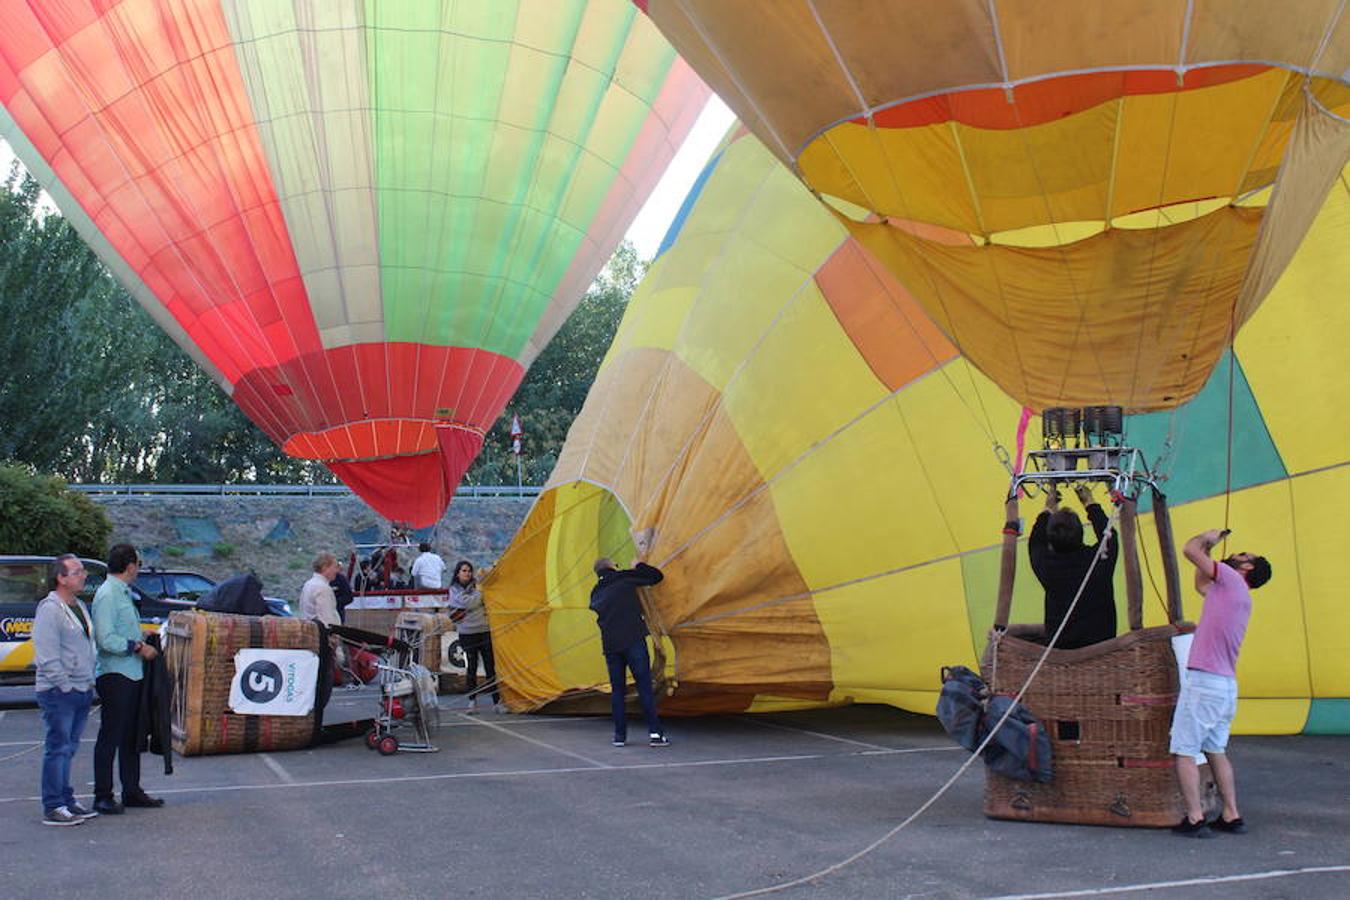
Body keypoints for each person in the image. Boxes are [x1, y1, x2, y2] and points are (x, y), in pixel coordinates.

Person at [1170, 528, 1272, 838]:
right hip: (1225, 685)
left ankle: (1195, 817)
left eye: (1244, 554)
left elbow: (1189, 550)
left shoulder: (1229, 579)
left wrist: (1207, 539)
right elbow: (1201, 582)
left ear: (1247, 568)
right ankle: (1231, 813)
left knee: (1184, 750)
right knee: (1215, 749)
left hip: (1205, 682)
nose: (1238, 553)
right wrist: (1209, 553)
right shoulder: (1236, 594)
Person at [91, 543, 163, 815]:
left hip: (131, 673)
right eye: (138, 564)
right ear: (130, 565)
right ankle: (102, 794)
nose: (138, 569)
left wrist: (142, 637)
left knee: (131, 735)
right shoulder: (109, 594)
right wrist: (137, 646)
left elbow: (119, 630)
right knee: (111, 735)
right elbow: (105, 638)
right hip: (116, 673)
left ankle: (131, 789)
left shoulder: (121, 592)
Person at [31, 554, 98, 825]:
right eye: (77, 571)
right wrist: (64, 685)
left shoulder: (79, 605)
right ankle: (54, 805)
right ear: (61, 577)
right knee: (58, 747)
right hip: (59, 691)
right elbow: (47, 654)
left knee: (68, 747)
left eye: (82, 571)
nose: (83, 575)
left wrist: (86, 681)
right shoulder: (49, 609)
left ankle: (66, 799)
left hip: (82, 686)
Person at [589, 556, 668, 747]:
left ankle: (619, 736)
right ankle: (655, 734)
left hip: (610, 646)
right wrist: (638, 565)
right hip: (633, 641)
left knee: (618, 691)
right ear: (612, 567)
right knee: (644, 688)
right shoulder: (624, 578)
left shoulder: (595, 592)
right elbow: (656, 576)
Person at [1028, 484, 1118, 649]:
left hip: (1062, 654)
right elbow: (1110, 535)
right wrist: (1090, 502)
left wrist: (1048, 507)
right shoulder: (1099, 561)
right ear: (1081, 534)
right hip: (1102, 651)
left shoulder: (1047, 567)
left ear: (1051, 541)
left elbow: (1035, 542)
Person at [448, 561, 499, 707]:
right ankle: (472, 700)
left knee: (490, 667)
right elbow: (466, 603)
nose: (467, 573)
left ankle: (497, 701)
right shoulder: (454, 590)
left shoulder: (479, 586)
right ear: (458, 573)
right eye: (464, 570)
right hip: (467, 633)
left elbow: (473, 601)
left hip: (484, 630)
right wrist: (479, 595)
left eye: (469, 570)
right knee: (471, 667)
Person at [299, 552, 341, 627]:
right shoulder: (323, 588)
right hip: (321, 635)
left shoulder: (308, 584)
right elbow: (327, 620)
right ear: (325, 567)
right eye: (334, 567)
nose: (337, 571)